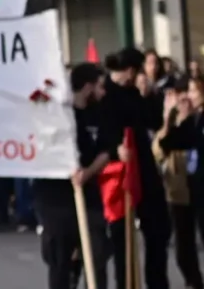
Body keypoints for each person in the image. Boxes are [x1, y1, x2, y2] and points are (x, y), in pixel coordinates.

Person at [33, 62, 110, 289]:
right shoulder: (55, 115)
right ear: (87, 87)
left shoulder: (99, 113)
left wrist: (88, 173)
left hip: (89, 198)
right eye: (99, 86)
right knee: (60, 261)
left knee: (97, 256)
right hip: (56, 200)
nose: (102, 92)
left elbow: (107, 150)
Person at [100, 47, 170, 289]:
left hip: (143, 167)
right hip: (116, 172)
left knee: (159, 228)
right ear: (130, 70)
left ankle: (157, 282)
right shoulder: (104, 93)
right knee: (122, 238)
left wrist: (149, 95)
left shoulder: (136, 93)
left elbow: (153, 121)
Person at [153, 80, 201, 289]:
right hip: (179, 191)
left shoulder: (198, 122)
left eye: (189, 97)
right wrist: (167, 119)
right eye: (182, 99)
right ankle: (193, 279)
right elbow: (159, 149)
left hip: (199, 188)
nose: (186, 102)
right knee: (184, 243)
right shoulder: (171, 127)